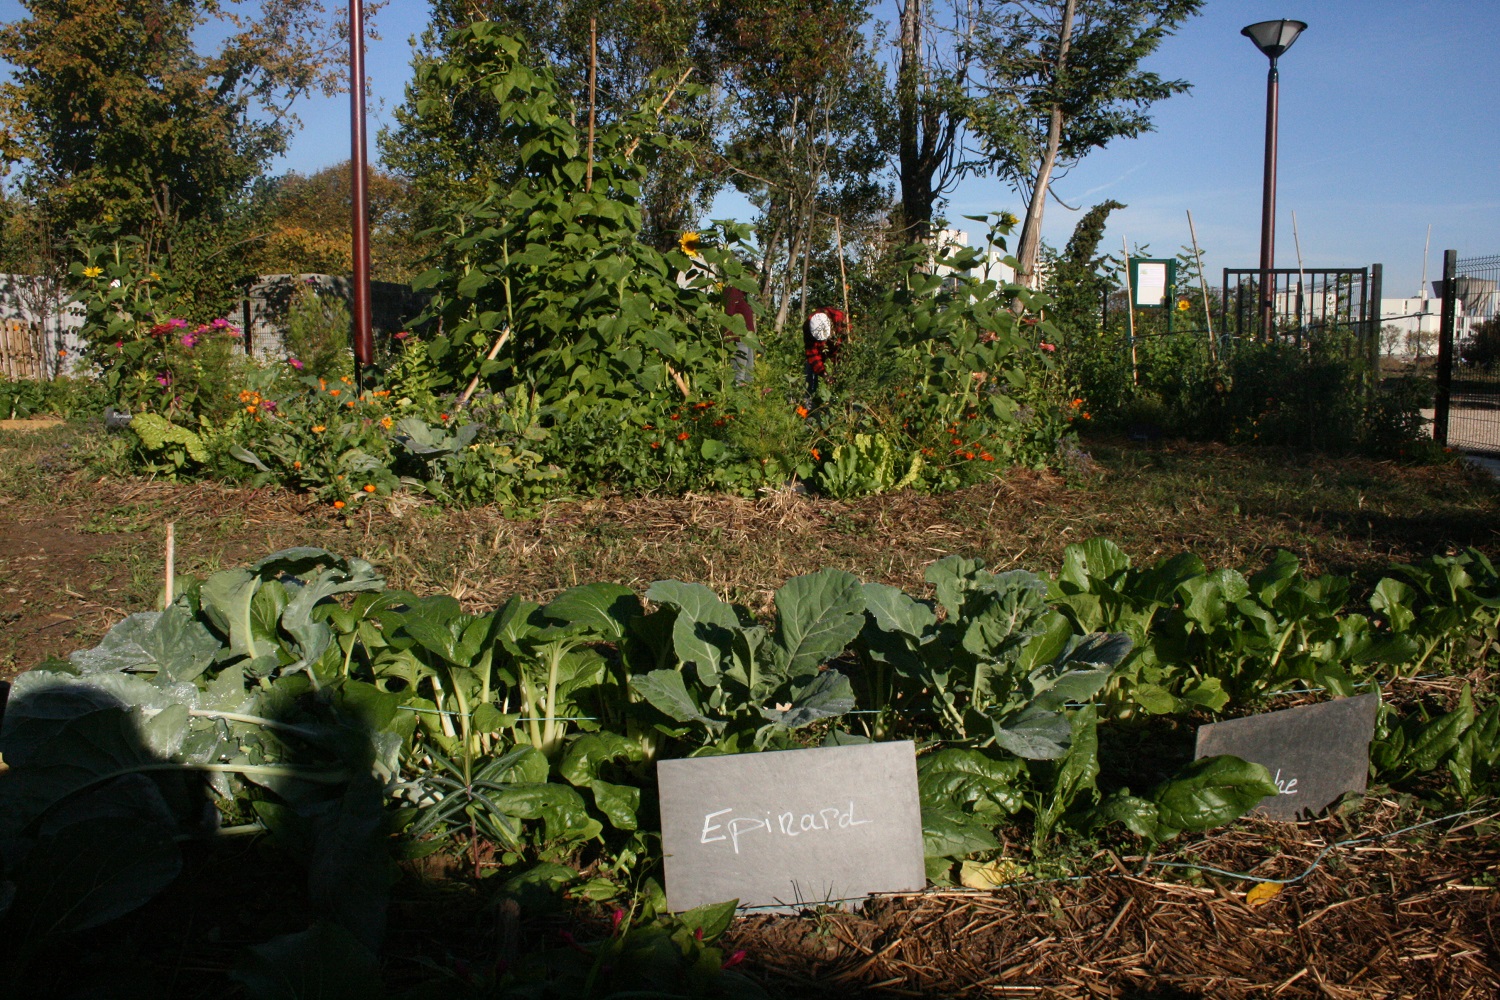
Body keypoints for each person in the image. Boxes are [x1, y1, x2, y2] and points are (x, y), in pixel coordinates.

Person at [803, 307, 848, 400]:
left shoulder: (839, 318)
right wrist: (824, 374)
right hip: (819, 350)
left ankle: (843, 399)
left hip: (838, 349)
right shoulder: (807, 327)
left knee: (845, 373)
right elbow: (812, 355)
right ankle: (809, 400)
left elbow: (848, 342)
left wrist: (839, 368)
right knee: (810, 368)